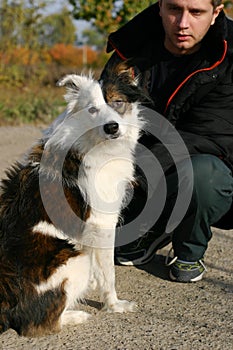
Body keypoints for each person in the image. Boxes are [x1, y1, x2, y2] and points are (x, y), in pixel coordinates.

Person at [100, 0, 233, 282]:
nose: (183, 23)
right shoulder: (130, 50)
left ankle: (188, 250)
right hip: (140, 163)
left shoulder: (229, 58)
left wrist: (133, 176)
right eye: (174, 9)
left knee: (203, 177)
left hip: (205, 166)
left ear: (216, 14)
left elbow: (208, 136)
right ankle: (143, 234)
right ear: (159, 7)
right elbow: (104, 118)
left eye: (196, 12)